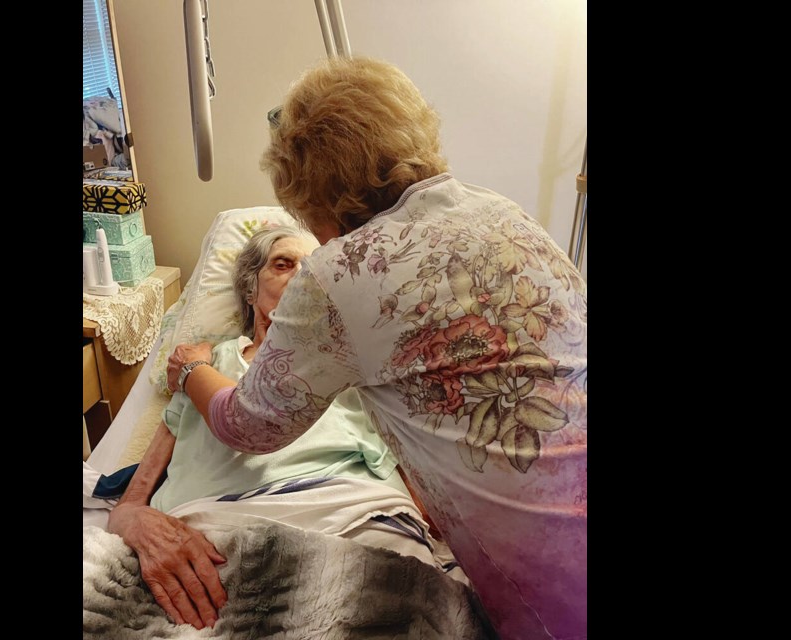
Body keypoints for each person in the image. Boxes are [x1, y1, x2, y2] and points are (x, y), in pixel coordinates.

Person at [169, 57, 588, 640]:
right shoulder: (502, 210)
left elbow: (248, 426)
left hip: (559, 600)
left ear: (310, 190)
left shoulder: (340, 274)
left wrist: (190, 369)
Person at [104, 226, 446, 631]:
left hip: (353, 524)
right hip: (211, 543)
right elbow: (130, 502)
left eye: (313, 268)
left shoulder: (353, 368)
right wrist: (139, 524)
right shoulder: (205, 366)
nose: (300, 275)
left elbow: (423, 495)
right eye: (282, 264)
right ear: (250, 290)